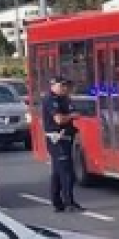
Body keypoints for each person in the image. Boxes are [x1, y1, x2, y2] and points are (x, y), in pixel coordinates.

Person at [42, 76, 83, 213]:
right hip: (56, 140)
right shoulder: (50, 99)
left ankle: (57, 203)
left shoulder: (65, 99)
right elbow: (59, 119)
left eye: (66, 86)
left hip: (66, 138)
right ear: (53, 86)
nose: (65, 88)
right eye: (62, 86)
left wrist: (72, 116)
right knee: (67, 173)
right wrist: (71, 116)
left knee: (58, 173)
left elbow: (75, 113)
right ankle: (69, 203)